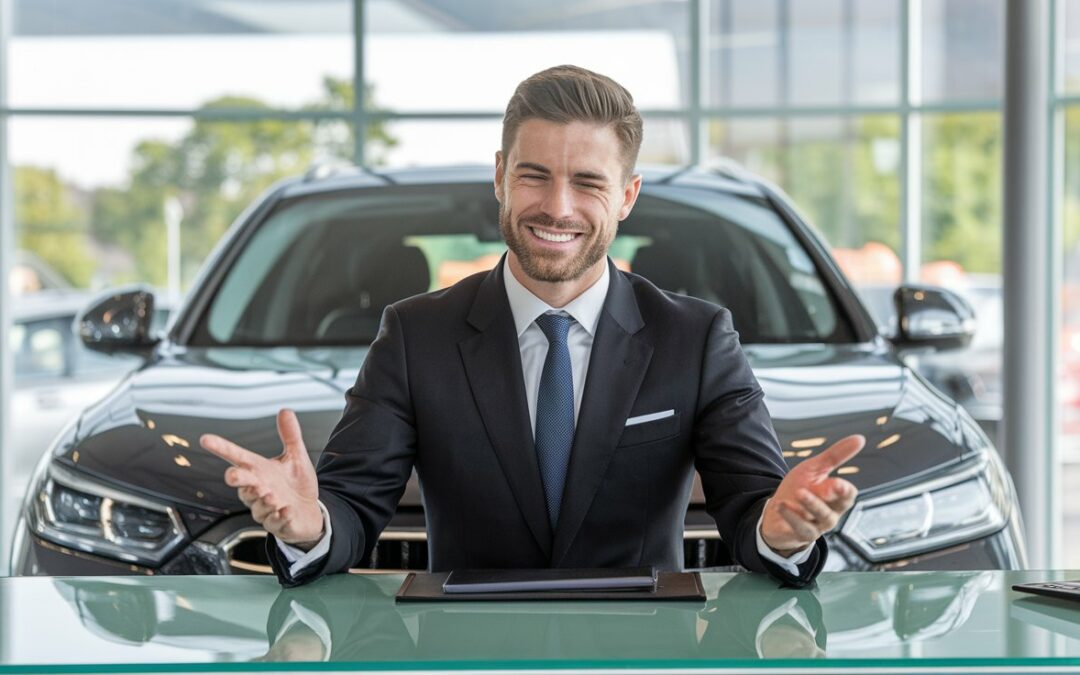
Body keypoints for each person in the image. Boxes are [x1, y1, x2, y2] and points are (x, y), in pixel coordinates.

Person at [200, 65, 864, 588]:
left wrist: (783, 533)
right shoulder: (414, 336)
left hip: (643, 654)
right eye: (534, 175)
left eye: (587, 182)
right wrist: (307, 523)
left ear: (627, 195)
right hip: (463, 655)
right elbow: (348, 508)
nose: (557, 206)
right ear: (499, 176)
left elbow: (753, 508)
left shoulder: (696, 339)